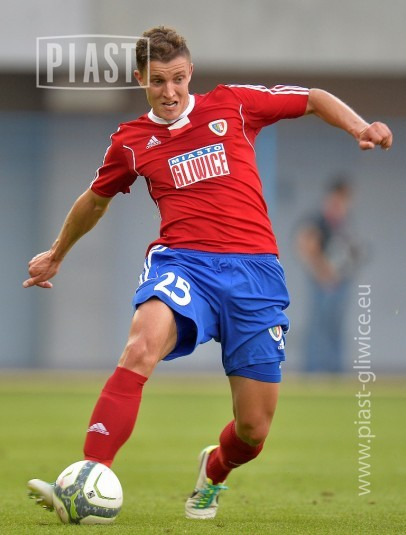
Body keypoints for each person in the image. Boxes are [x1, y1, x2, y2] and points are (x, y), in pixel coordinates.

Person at [24, 26, 392, 520]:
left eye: (178, 79)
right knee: (140, 346)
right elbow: (95, 200)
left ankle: (214, 470)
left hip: (255, 274)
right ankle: (88, 473)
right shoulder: (130, 142)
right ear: (140, 78)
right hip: (184, 264)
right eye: (158, 81)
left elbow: (312, 99)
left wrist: (359, 127)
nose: (170, 91)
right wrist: (57, 253)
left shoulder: (233, 104)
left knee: (253, 431)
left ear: (190, 73)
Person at [296, 178, 362, 373]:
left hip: (341, 281)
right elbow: (305, 245)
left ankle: (335, 370)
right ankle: (313, 369)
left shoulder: (345, 222)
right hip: (321, 281)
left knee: (335, 325)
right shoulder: (318, 220)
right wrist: (322, 272)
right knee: (318, 325)